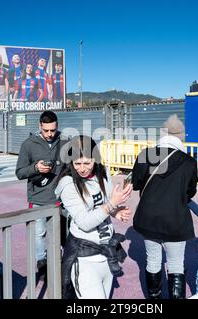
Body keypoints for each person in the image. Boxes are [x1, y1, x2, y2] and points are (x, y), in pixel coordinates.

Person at [55, 135, 132, 299]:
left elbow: (102, 205)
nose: (82, 168)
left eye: (87, 162)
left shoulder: (102, 173)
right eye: (77, 163)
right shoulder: (68, 184)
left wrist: (115, 211)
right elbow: (85, 222)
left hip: (107, 253)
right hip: (84, 258)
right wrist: (111, 205)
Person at [132, 114, 198, 299]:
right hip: (176, 218)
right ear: (181, 136)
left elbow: (136, 183)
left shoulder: (147, 155)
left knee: (152, 261)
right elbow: (191, 191)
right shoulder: (188, 161)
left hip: (148, 217)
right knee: (176, 264)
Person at [15, 111, 66, 273]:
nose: (50, 134)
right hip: (38, 198)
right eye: (46, 131)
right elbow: (20, 172)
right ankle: (41, 263)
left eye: (53, 130)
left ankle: (59, 260)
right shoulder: (28, 144)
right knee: (39, 233)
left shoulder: (65, 141)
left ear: (57, 126)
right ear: (40, 126)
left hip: (61, 198)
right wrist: (36, 168)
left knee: (60, 232)